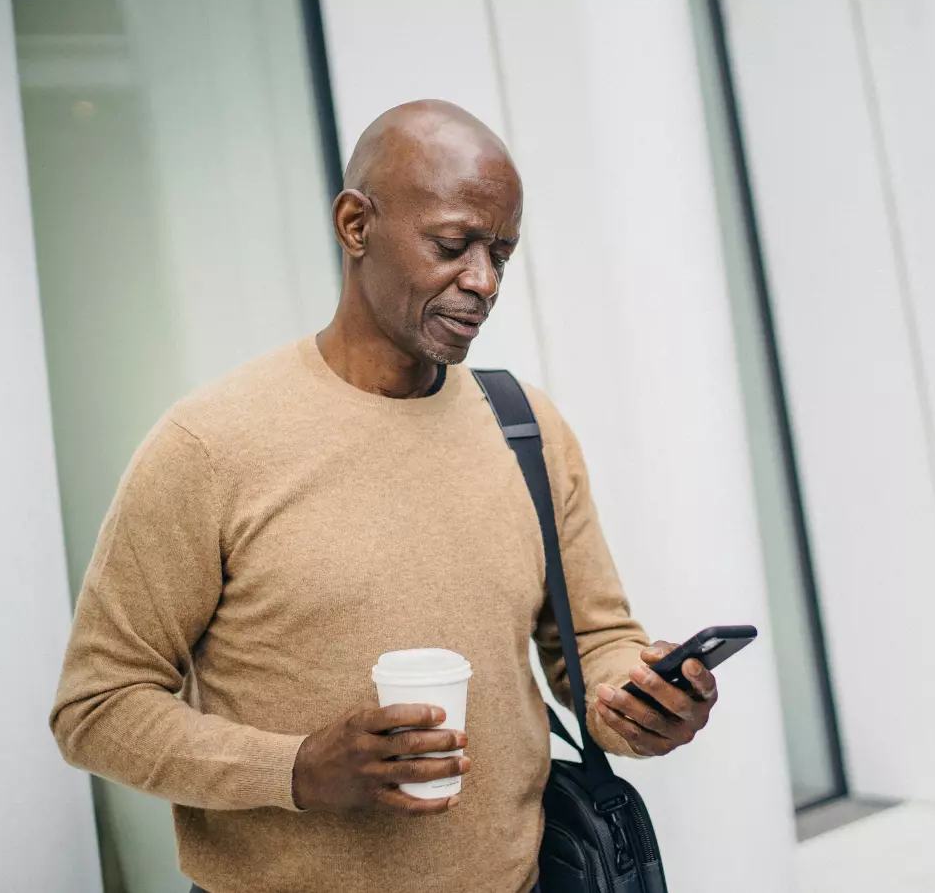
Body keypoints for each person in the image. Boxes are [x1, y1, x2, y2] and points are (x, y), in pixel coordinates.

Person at [50, 100, 719, 893]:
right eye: (451, 244)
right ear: (356, 225)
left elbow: (593, 640)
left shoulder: (526, 429)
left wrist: (637, 700)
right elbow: (98, 708)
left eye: (501, 254)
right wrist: (296, 768)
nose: (482, 281)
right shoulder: (210, 446)